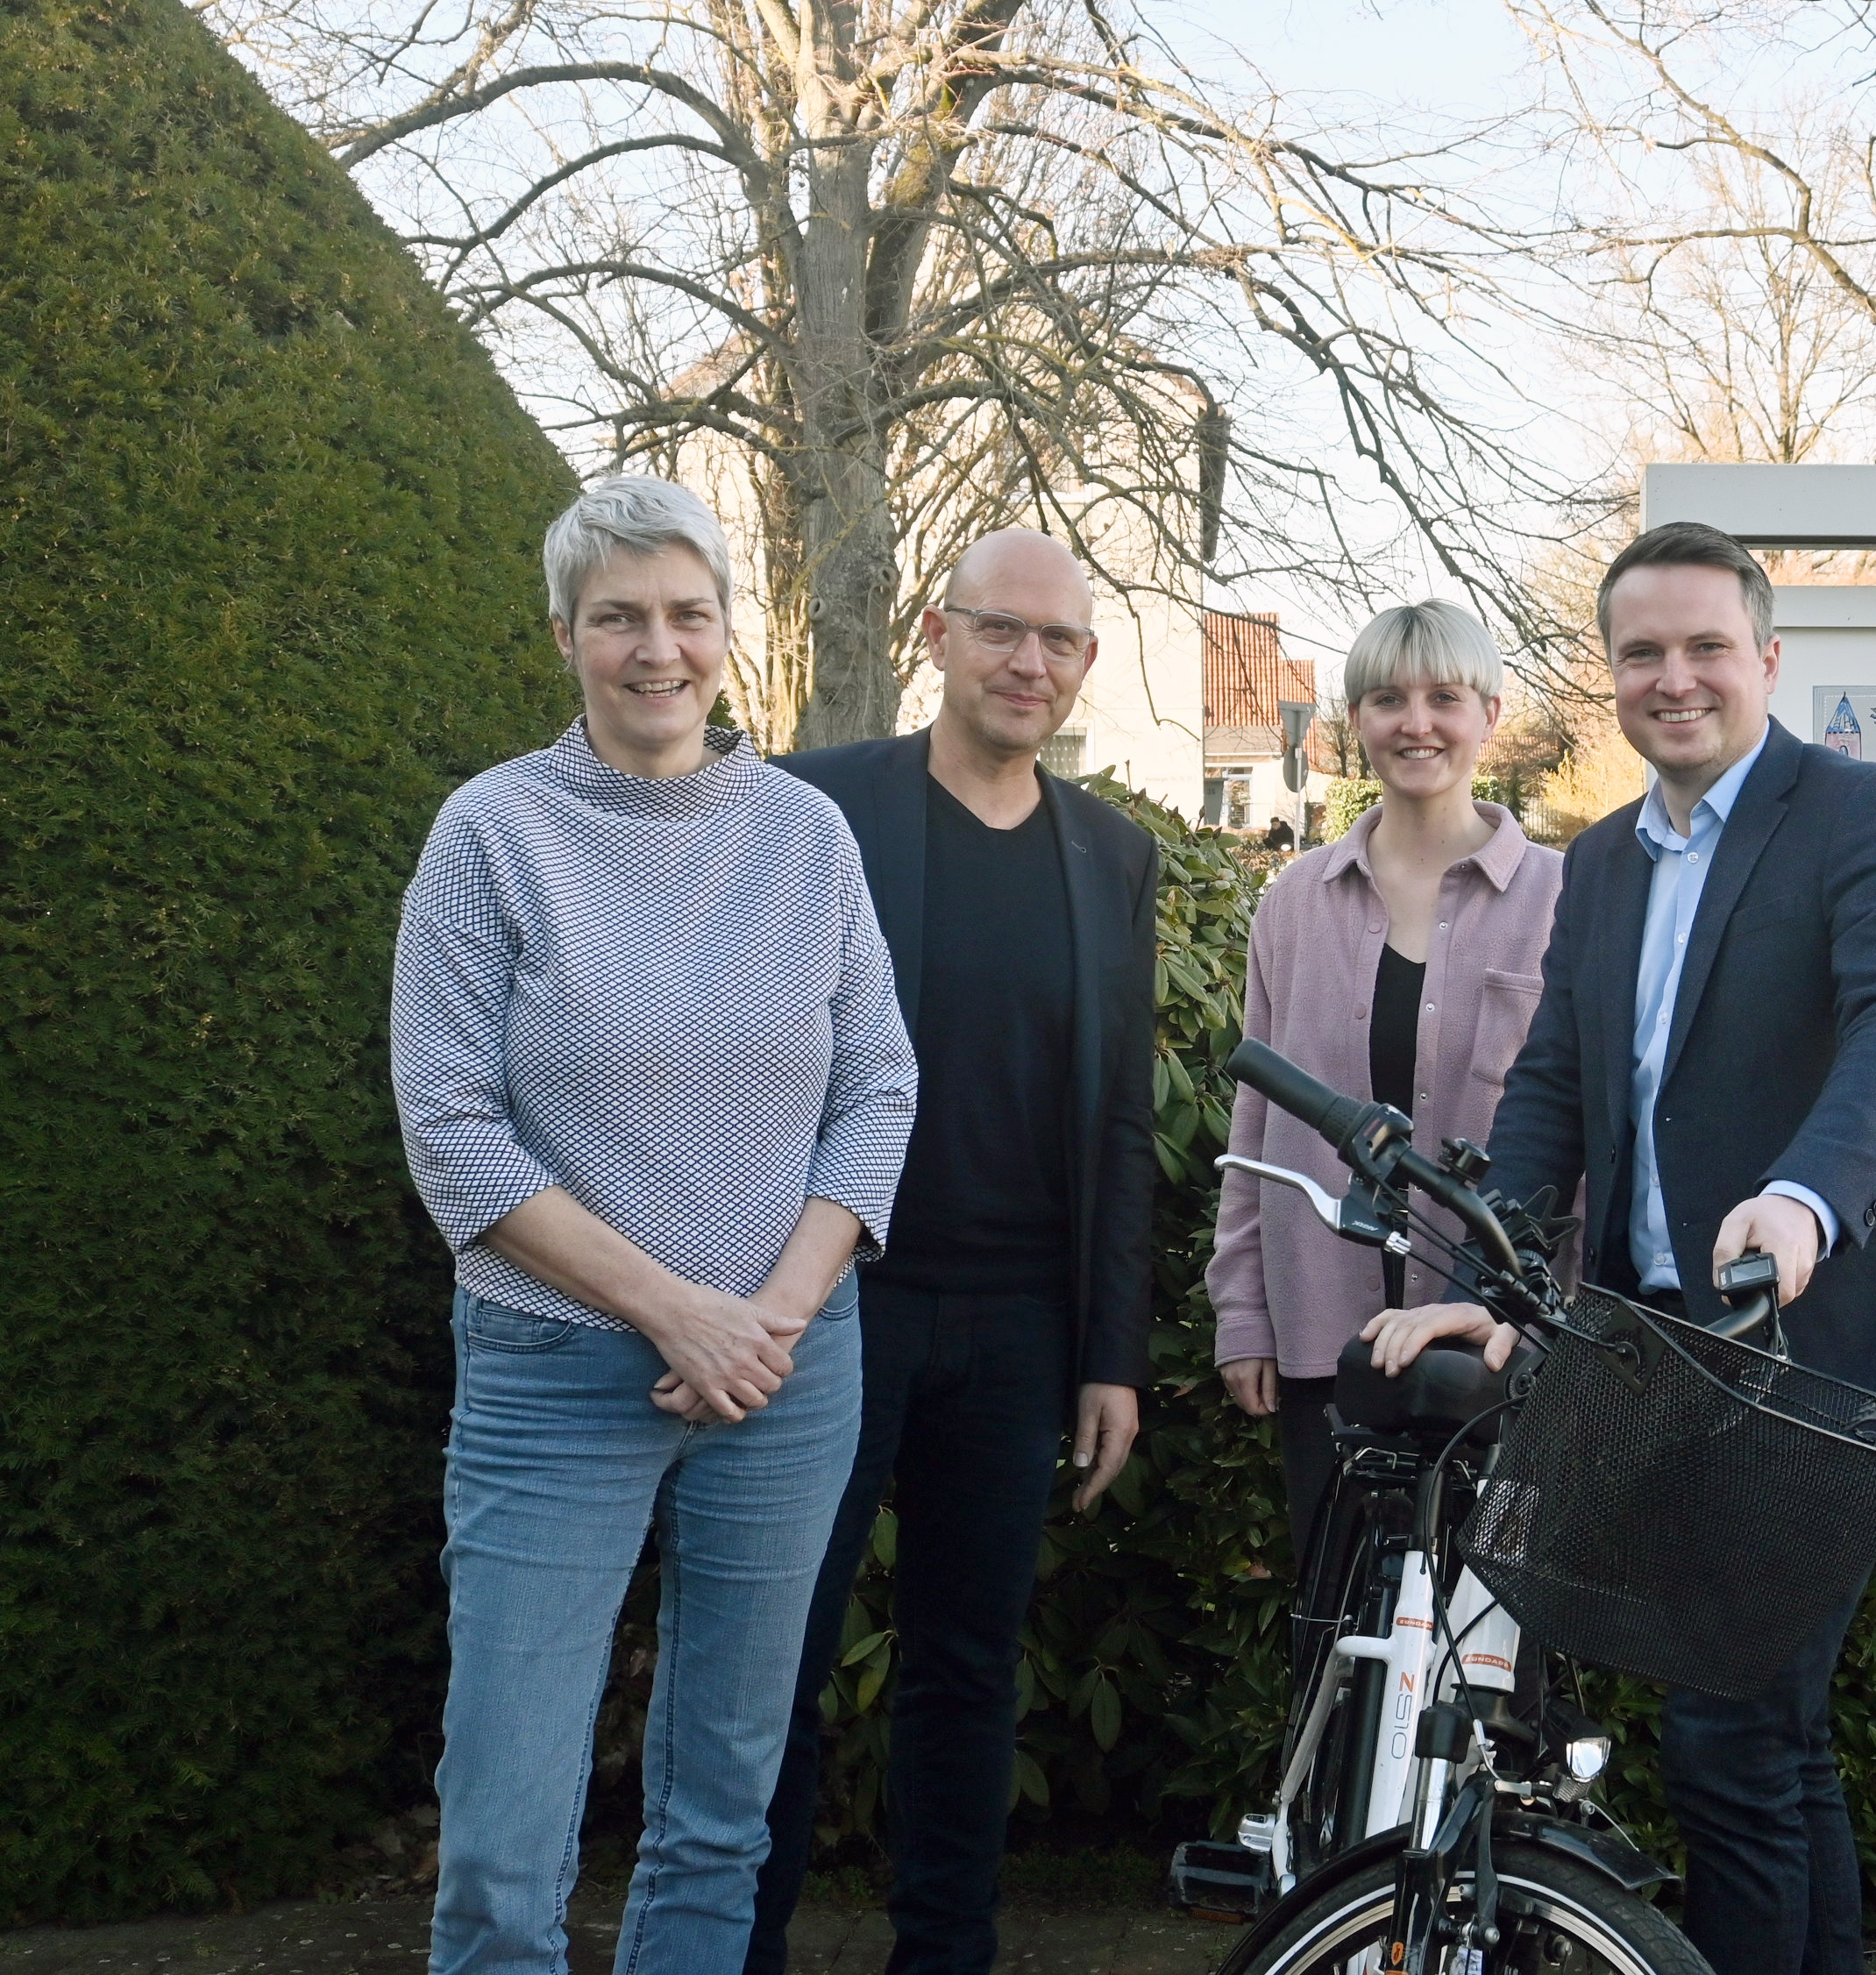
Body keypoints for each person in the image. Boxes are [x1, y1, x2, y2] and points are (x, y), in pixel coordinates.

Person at [1361, 522, 1876, 1975]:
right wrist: (1490, 1288)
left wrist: (1805, 1198)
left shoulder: (1867, 812)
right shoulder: (1604, 862)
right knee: (1772, 1742)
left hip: (1814, 1362)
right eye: (1643, 652)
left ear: (1769, 657)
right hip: (1664, 1357)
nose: (1675, 677)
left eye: (1707, 647)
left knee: (1729, 1736)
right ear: (1611, 673)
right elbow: (1554, 1087)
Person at [391, 476, 919, 1974]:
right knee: (503, 1837)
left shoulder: (808, 837)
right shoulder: (493, 833)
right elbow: (450, 1128)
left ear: (729, 631)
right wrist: (676, 1311)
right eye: (618, 616)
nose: (657, 648)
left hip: (785, 1377)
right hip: (556, 1373)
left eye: (689, 613)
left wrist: (771, 1318)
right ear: (565, 634)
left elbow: (880, 1085)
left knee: (722, 1815)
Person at [744, 532, 1163, 1975]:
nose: (1028, 662)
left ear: (1085, 663)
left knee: (970, 1670)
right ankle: (740, 1944)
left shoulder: (1112, 856)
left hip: (1019, 1327)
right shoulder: (816, 804)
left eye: (1059, 641)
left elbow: (1121, 1122)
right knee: (777, 1660)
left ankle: (945, 1955)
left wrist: (1111, 1353)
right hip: (830, 1303)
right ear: (936, 633)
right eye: (1000, 630)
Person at [1211, 600, 1563, 1559]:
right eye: (1387, 700)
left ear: (1489, 715)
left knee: (1491, 1619)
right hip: (1328, 1336)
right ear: (1355, 721)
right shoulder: (1294, 904)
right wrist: (1243, 1312)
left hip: (1506, 1343)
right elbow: (1256, 1125)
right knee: (1337, 1618)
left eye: (1445, 697)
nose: (1417, 723)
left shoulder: (1563, 899)